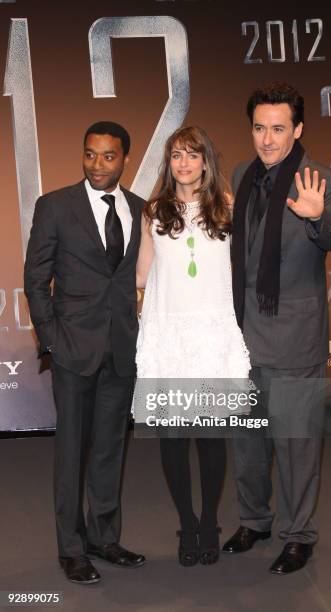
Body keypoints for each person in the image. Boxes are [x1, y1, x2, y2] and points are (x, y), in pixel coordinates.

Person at [222, 83, 331, 574]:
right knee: (248, 441)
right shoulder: (240, 175)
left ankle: (298, 535)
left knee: (297, 445)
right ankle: (254, 520)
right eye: (259, 128)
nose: (268, 139)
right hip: (241, 336)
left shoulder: (321, 180)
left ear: (298, 129)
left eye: (279, 128)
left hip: (295, 336)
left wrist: (320, 219)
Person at [24, 121, 145, 584]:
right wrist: (52, 339)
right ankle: (71, 549)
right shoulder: (55, 206)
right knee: (71, 453)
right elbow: (36, 278)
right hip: (73, 351)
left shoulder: (139, 209)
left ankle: (104, 538)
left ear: (124, 159)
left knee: (110, 450)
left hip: (120, 351)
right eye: (90, 154)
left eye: (108, 156)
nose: (98, 164)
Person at [135, 126, 250, 566]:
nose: (184, 163)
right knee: (172, 438)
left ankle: (208, 522)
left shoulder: (228, 208)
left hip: (211, 336)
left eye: (192, 154)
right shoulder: (154, 211)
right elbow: (142, 275)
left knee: (209, 437)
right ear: (169, 163)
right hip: (167, 337)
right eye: (176, 155)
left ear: (206, 160)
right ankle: (186, 523)